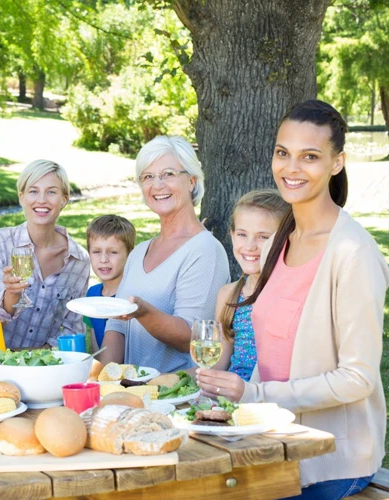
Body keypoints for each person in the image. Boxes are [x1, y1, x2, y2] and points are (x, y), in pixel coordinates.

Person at [196, 100, 388, 499]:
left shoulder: (353, 253)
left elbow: (358, 377)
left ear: (337, 162)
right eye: (283, 153)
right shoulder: (280, 241)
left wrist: (254, 395)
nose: (292, 167)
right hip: (269, 439)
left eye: (310, 156)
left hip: (328, 457)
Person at [99, 136, 229, 371]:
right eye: (148, 177)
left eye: (168, 174)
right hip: (132, 393)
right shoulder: (138, 252)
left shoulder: (205, 250)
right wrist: (104, 381)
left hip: (176, 397)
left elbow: (189, 338)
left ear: (191, 181)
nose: (157, 185)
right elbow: (116, 326)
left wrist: (143, 312)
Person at [0, 160, 90, 349]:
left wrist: (38, 361)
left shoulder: (79, 261)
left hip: (47, 367)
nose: (41, 200)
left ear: (64, 200)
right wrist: (11, 295)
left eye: (51, 191)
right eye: (33, 191)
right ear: (21, 197)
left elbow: (71, 329)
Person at [209, 189, 288, 381]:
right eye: (242, 234)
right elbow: (218, 366)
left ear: (285, 240)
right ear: (232, 235)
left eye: (263, 237)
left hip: (273, 400)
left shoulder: (289, 295)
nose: (250, 246)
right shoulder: (229, 295)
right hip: (231, 400)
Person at [83, 215, 135, 351]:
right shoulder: (92, 294)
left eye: (113, 252)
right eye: (96, 252)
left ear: (130, 254)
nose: (103, 259)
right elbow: (96, 348)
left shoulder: (133, 297)